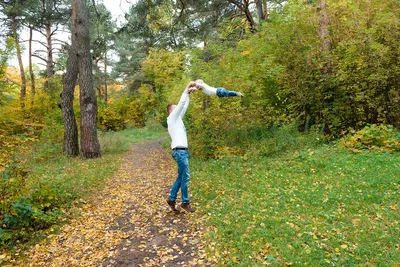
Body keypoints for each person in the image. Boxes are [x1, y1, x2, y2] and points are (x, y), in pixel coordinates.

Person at [166, 81, 197, 213]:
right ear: (170, 111)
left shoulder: (178, 119)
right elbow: (181, 105)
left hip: (181, 152)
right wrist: (186, 88)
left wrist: (189, 93)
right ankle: (185, 202)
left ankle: (172, 199)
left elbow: (183, 107)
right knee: (186, 177)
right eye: (175, 107)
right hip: (180, 152)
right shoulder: (172, 118)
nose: (177, 108)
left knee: (181, 176)